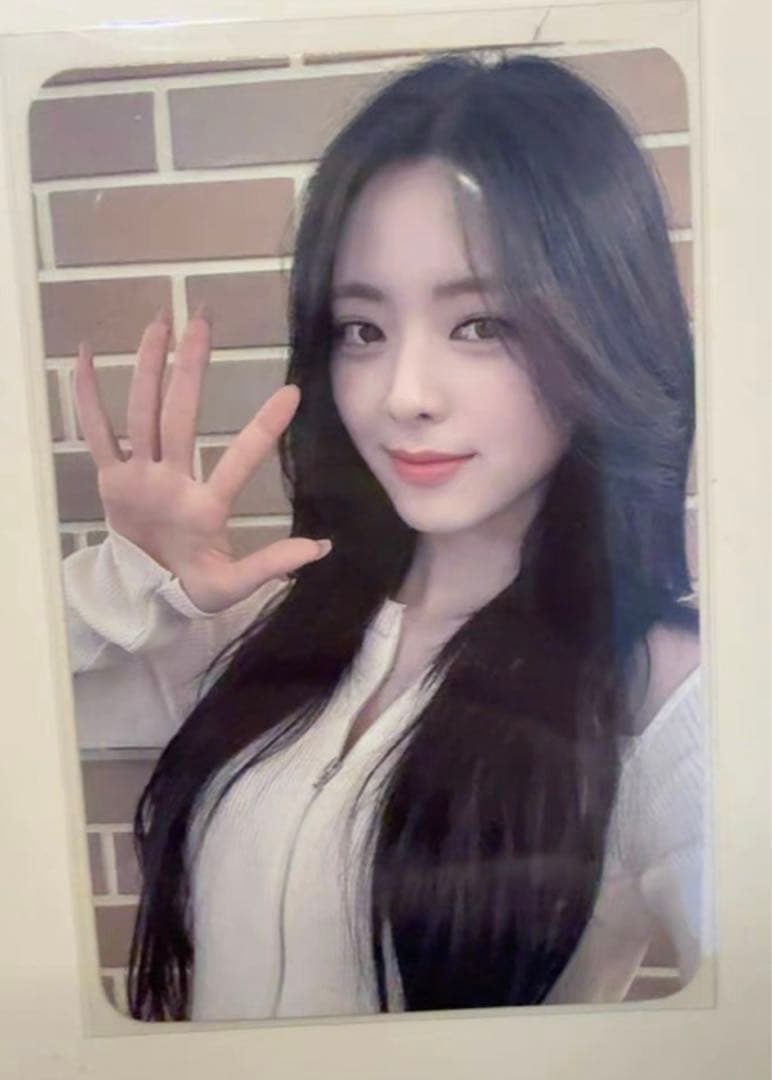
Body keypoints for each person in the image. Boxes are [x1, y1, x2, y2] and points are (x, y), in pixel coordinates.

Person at [63, 52, 706, 1022]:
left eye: (480, 324)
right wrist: (138, 580)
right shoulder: (259, 624)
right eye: (361, 330)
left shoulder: (661, 692)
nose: (403, 395)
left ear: (603, 329)